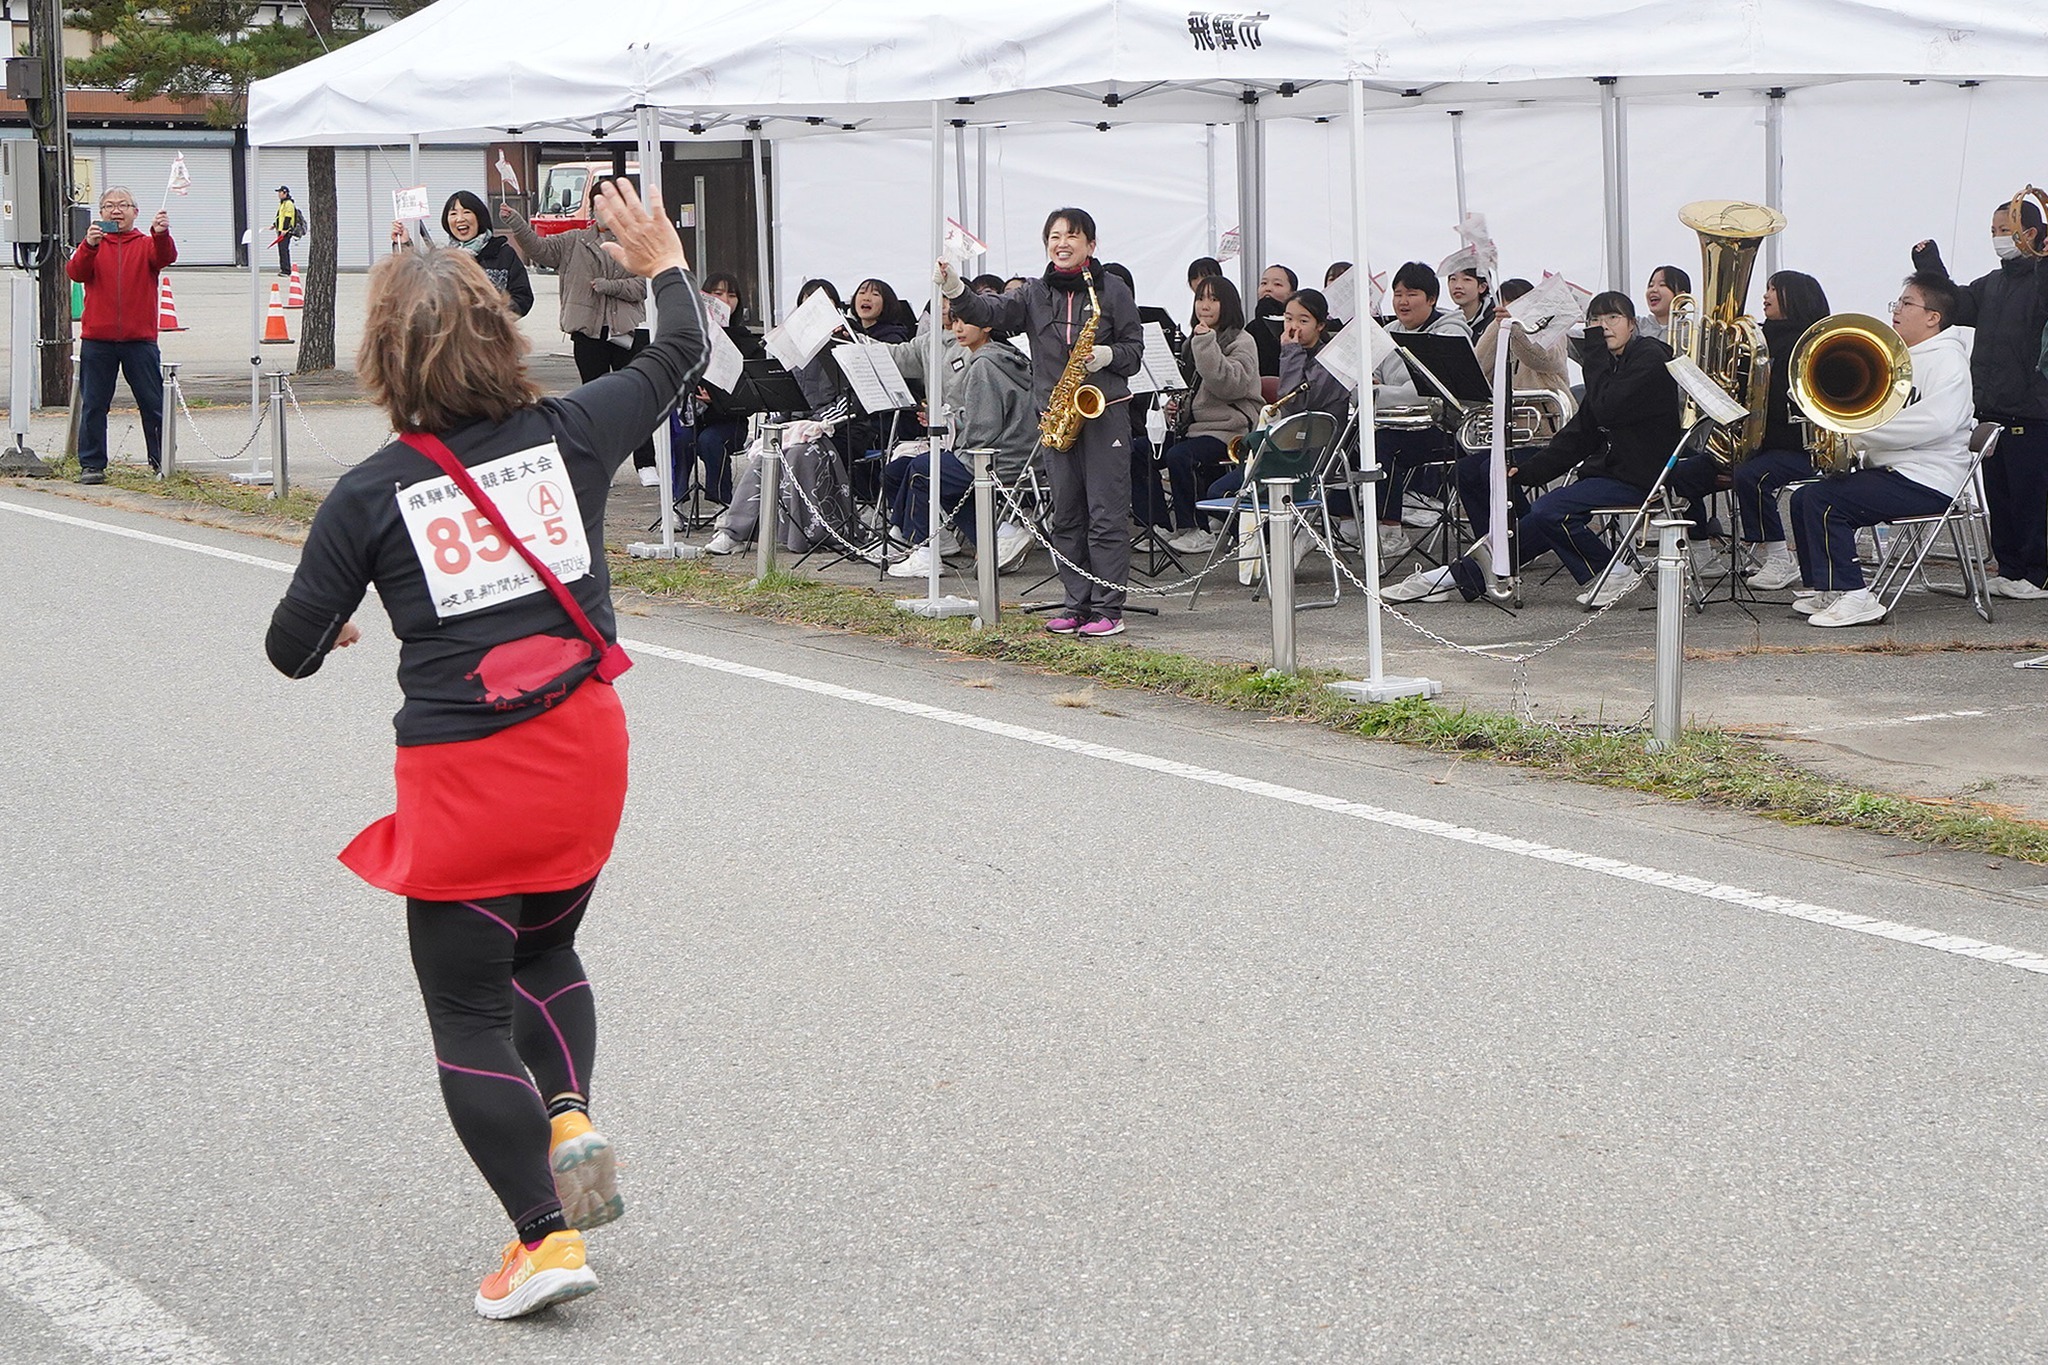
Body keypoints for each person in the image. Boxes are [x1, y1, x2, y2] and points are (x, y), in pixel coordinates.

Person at [263, 178, 709, 1320]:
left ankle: (544, 1241)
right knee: (546, 952)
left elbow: (289, 647)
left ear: (382, 360)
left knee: (465, 1012)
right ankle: (568, 1113)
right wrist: (658, 258)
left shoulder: (370, 495)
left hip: (466, 780)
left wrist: (340, 627)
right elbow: (678, 350)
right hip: (583, 751)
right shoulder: (575, 430)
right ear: (499, 330)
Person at [1383, 291, 1681, 608]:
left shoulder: (1650, 357)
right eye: (1595, 319)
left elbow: (1607, 407)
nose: (1603, 326)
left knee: (1549, 510)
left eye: (1613, 318)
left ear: (1632, 324)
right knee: (1522, 534)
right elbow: (1581, 434)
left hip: (1645, 477)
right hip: (1611, 473)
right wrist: (1529, 472)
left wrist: (1593, 352)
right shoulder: (1612, 367)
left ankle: (1610, 571)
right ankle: (1447, 579)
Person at [940, 205, 1144, 637]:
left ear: (1091, 244)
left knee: (1106, 513)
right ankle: (1076, 603)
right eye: (1054, 235)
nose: (1062, 242)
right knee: (1067, 514)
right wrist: (957, 288)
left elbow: (1134, 352)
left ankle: (1109, 607)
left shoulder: (1114, 290)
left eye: (1072, 235)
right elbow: (989, 312)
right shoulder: (1033, 293)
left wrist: (1107, 355)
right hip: (1056, 415)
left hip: (1104, 411)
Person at [1786, 272, 1977, 627]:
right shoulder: (1905, 357)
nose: (1897, 310)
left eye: (1907, 303)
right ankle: (1829, 589)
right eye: (1898, 302)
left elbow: (1938, 423)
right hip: (1896, 472)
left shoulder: (1948, 360)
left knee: (1823, 502)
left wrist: (1858, 434)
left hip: (1928, 479)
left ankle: (1857, 596)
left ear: (1933, 317)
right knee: (1802, 498)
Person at [1913, 198, 2048, 598]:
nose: (1999, 238)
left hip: (2034, 409)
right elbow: (1954, 305)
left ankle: (2037, 573)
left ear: (2033, 234)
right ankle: (2010, 568)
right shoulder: (1993, 283)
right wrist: (1929, 267)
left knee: (2031, 496)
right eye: (1994, 231)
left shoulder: (2042, 278)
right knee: (2000, 496)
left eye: (2006, 229)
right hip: (1992, 409)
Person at [1671, 269, 1832, 589]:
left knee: (1752, 476)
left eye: (1774, 289)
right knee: (1683, 474)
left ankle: (1778, 557)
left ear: (1796, 297)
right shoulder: (1756, 336)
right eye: (1767, 288)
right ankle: (1702, 552)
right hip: (1756, 446)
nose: (1766, 295)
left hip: (1798, 448)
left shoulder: (1811, 342)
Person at [500, 188, 659, 484]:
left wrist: (608, 286)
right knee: (594, 401)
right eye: (600, 205)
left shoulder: (634, 242)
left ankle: (645, 462)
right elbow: (539, 249)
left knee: (636, 399)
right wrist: (517, 222)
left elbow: (642, 286)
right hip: (587, 332)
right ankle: (601, 463)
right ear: (591, 208)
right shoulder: (574, 240)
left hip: (627, 331)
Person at [881, 296, 1038, 579]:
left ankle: (927, 550)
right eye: (955, 321)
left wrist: (948, 428)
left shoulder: (983, 365)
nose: (958, 328)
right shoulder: (1004, 357)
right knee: (936, 469)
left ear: (988, 325)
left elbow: (983, 427)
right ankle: (1001, 533)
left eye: (966, 321)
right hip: (1023, 455)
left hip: (1000, 457)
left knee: (924, 469)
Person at [66, 186, 175, 484]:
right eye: (110, 206)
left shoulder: (145, 243)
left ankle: (161, 460)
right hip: (97, 339)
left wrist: (160, 233)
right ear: (100, 213)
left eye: (123, 205)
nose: (116, 210)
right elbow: (75, 273)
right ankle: (91, 464)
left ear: (134, 212)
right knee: (94, 404)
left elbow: (166, 257)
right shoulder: (92, 244)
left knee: (151, 402)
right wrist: (88, 245)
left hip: (140, 339)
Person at [1372, 261, 1476, 557]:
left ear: (1432, 299)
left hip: (1445, 429)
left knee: (1382, 446)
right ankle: (1348, 521)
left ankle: (1390, 528)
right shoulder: (1387, 331)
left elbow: (1425, 393)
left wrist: (1375, 392)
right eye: (1397, 294)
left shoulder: (1450, 332)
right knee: (1349, 441)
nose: (1402, 302)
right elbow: (1365, 378)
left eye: (1412, 294)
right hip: (1397, 421)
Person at [1163, 274, 1263, 553]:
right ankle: (1159, 523)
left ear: (1228, 304)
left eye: (1213, 299)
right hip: (1194, 428)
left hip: (1229, 429)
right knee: (1141, 451)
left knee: (1180, 456)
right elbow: (1189, 390)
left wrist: (1206, 343)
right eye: (1200, 298)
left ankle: (1198, 528)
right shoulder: (1192, 342)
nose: (1204, 305)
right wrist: (1174, 407)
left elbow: (1229, 385)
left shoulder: (1242, 341)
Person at [676, 271, 764, 505]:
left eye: (732, 295)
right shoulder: (692, 336)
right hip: (693, 417)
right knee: (681, 438)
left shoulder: (747, 342)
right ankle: (677, 501)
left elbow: (752, 395)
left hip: (731, 422)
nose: (725, 300)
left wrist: (717, 400)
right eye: (717, 294)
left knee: (710, 440)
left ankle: (722, 502)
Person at [391, 191, 534, 317]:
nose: (460, 218)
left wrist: (494, 316)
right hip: (453, 341)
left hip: (494, 342)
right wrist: (403, 244)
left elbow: (523, 297)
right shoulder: (442, 258)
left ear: (479, 217)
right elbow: (416, 286)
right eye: (453, 214)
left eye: (466, 212)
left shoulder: (503, 253)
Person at [848, 278, 916, 343]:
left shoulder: (892, 338)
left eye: (875, 294)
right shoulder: (851, 331)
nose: (866, 298)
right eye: (862, 293)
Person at [1638, 264, 1690, 346]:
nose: (1653, 290)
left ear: (1681, 296)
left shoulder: (1692, 330)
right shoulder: (1637, 326)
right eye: (1651, 285)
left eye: (1662, 285)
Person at [1446, 265, 1495, 334]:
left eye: (1466, 279)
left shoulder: (1496, 318)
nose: (1458, 286)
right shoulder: (1448, 322)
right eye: (1453, 279)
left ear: (1482, 287)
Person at [273, 185, 300, 278]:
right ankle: (283, 268)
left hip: (286, 231)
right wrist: (274, 225)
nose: (279, 194)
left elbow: (288, 217)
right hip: (280, 230)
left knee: (284, 250)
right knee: (281, 250)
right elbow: (280, 216)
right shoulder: (282, 203)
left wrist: (284, 229)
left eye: (280, 192)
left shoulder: (288, 203)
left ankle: (286, 270)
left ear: (285, 193)